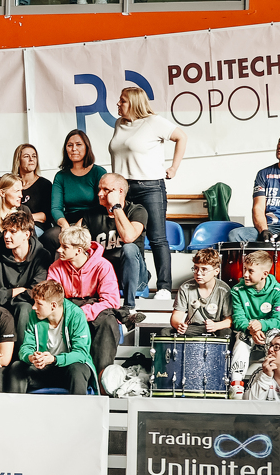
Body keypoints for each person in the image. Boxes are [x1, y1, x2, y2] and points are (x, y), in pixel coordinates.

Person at [107, 86, 188, 299]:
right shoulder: (119, 124)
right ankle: (139, 284)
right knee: (131, 240)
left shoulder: (154, 122)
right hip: (123, 189)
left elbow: (181, 137)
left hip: (149, 187)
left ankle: (164, 287)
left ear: (134, 103)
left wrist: (174, 168)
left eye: (123, 101)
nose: (118, 104)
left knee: (157, 238)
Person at [48, 224, 122, 380]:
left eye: (64, 247)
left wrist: (82, 313)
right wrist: (72, 313)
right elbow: (51, 299)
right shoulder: (56, 267)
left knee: (109, 320)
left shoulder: (103, 266)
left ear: (78, 250)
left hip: (94, 309)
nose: (59, 250)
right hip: (68, 308)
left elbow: (111, 301)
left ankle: (101, 378)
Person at [8, 279, 94, 394]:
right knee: (17, 367)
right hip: (44, 369)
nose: (33, 307)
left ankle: (77, 406)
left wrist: (54, 359)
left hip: (67, 368)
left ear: (53, 305)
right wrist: (31, 357)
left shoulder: (76, 315)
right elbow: (26, 347)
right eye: (34, 302)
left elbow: (81, 353)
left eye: (39, 304)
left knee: (77, 369)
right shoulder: (34, 315)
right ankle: (15, 405)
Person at [0, 210, 53, 336]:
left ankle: (22, 349)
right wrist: (16, 291)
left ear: (26, 235)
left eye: (13, 232)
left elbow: (36, 292)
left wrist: (4, 295)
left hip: (28, 306)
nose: (6, 236)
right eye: (5, 231)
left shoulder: (42, 256)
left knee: (23, 308)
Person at [85, 172, 149, 317]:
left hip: (135, 278)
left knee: (129, 248)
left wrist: (116, 207)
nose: (100, 193)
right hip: (105, 276)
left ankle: (129, 307)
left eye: (106, 190)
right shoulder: (91, 214)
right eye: (99, 189)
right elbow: (76, 240)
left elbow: (128, 237)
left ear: (120, 191)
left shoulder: (137, 210)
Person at [229, 248, 280, 391]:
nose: (245, 274)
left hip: (268, 330)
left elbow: (279, 320)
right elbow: (238, 319)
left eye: (251, 271)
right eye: (245, 269)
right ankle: (236, 385)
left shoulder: (279, 290)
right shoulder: (237, 290)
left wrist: (261, 324)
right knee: (241, 338)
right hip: (248, 331)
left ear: (264, 274)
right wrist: (252, 329)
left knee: (276, 337)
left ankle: (277, 383)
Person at [51, 130, 108, 251]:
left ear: (87, 147)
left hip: (94, 220)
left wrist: (83, 222)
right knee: (50, 237)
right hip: (69, 222)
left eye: (78, 144)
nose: (74, 149)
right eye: (70, 145)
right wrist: (65, 226)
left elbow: (103, 204)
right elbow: (56, 208)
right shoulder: (61, 176)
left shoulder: (98, 172)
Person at [167, 248, 232, 338]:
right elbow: (176, 316)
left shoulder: (224, 290)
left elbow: (229, 320)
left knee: (227, 332)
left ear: (216, 271)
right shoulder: (185, 287)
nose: (198, 273)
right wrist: (179, 325)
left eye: (204, 269)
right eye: (196, 268)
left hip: (215, 329)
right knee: (165, 332)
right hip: (193, 328)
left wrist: (216, 326)